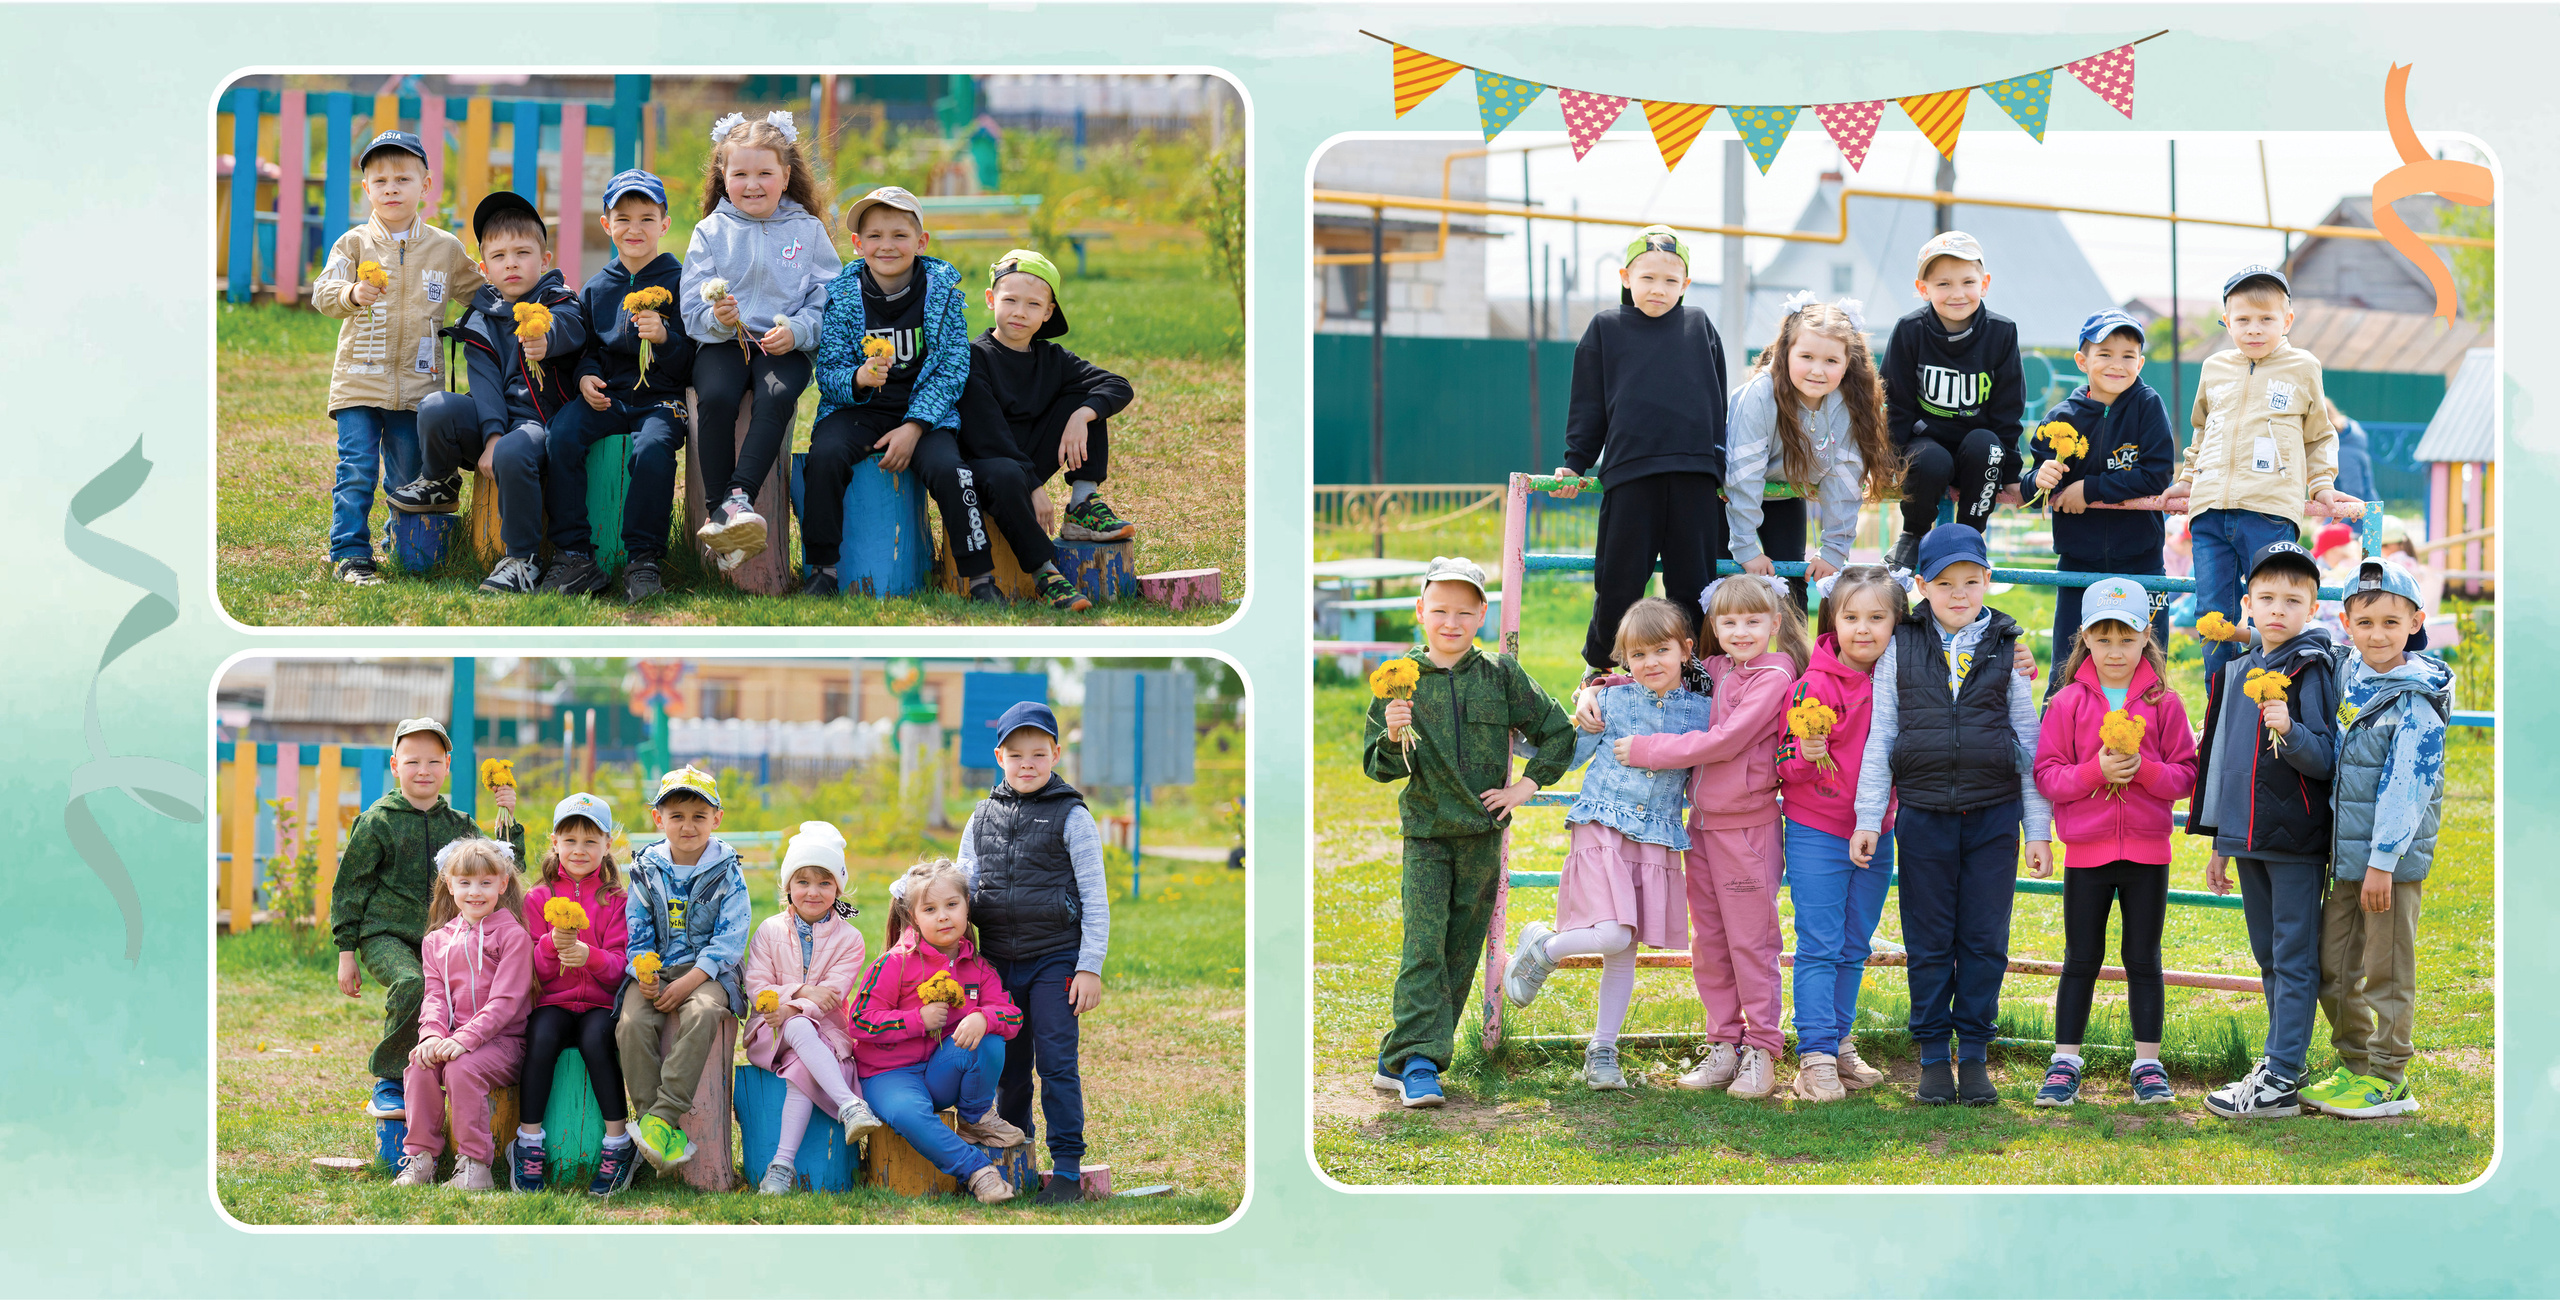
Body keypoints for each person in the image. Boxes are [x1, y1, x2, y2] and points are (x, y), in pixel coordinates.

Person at [1364, 556, 1578, 1108]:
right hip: (1428, 834)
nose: (1451, 622)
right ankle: (1418, 1062)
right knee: (1424, 946)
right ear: (1420, 612)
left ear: (1483, 613)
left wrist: (1523, 788)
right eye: (1439, 611)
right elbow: (1377, 766)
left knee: (1460, 949)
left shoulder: (1501, 675)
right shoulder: (1397, 681)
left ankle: (1401, 1056)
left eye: (1464, 611)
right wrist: (1391, 735)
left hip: (1484, 834)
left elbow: (1557, 733)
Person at [1851, 525, 2053, 1106]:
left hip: (1993, 815)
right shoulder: (1902, 643)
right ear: (1921, 586)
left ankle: (1976, 1056)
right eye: (1944, 583)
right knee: (1930, 938)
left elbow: (2027, 739)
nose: (1959, 594)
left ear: (1988, 580)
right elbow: (1882, 732)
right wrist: (1870, 818)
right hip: (1923, 813)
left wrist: (2035, 828)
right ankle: (1934, 1057)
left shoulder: (2007, 644)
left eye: (1971, 581)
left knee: (1986, 938)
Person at [809, 189, 1072, 607]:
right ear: (858, 245)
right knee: (823, 456)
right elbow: (828, 373)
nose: (887, 245)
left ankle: (980, 578)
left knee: (953, 472)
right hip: (859, 411)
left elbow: (952, 367)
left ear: (921, 242)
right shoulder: (843, 294)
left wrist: (914, 427)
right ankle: (822, 569)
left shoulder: (941, 291)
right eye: (874, 236)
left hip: (926, 415)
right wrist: (857, 377)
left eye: (899, 235)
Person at [1500, 598, 1711, 1091]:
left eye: (1661, 650)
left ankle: (1603, 1050)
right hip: (1603, 825)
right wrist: (1520, 734)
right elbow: (1570, 756)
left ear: (1685, 650)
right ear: (1622, 661)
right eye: (1637, 655)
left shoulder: (1704, 708)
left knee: (1624, 949)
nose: (1650, 663)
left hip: (1656, 834)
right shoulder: (1610, 701)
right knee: (1613, 933)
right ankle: (1545, 949)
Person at [1622, 574, 1807, 1099]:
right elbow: (1657, 680)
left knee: (1752, 942)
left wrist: (1647, 750)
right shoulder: (1715, 669)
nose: (1741, 631)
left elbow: (1727, 742)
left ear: (1774, 623)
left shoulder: (1775, 674)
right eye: (1729, 622)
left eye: (1753, 621)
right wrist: (1596, 688)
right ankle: (1724, 1043)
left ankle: (1763, 1049)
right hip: (1698, 829)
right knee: (1710, 945)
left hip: (1747, 830)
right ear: (1714, 627)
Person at [2188, 541, 2343, 1119]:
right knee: (2267, 954)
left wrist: (2292, 731)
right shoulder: (2239, 669)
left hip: (2297, 838)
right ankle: (2282, 1068)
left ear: (2313, 606)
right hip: (2249, 838)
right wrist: (2221, 847)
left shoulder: (2313, 668)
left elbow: (2329, 756)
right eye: (2268, 598)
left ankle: (2281, 1071)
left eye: (2293, 599)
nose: (2279, 609)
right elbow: (2227, 761)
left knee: (2294, 953)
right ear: (2248, 604)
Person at [2028, 580, 2199, 1107]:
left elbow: (2186, 775)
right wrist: (2093, 772)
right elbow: (2047, 775)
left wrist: (2143, 771)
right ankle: (2065, 1061)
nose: (2115, 651)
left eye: (2126, 638)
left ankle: (2147, 1063)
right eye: (2103, 639)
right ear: (2084, 638)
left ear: (2147, 635)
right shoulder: (2067, 702)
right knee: (2081, 956)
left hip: (2147, 853)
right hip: (2087, 853)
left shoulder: (2164, 702)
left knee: (2143, 957)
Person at [2301, 559, 2452, 1119]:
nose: (2378, 634)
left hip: (2391, 864)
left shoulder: (2417, 698)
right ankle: (2355, 1066)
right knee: (2332, 965)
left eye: (2392, 622)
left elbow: (2407, 787)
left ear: (2415, 622)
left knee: (2387, 968)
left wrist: (2384, 861)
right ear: (2346, 623)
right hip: (2346, 859)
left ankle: (2390, 1077)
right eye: (2365, 622)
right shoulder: (2349, 674)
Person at [1549, 226, 1731, 677]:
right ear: (1626, 277)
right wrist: (1575, 463)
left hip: (1694, 474)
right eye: (1648, 278)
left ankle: (1696, 673)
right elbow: (1589, 405)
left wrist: (1721, 467)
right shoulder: (1606, 328)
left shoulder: (1699, 325)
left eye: (1671, 281)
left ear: (1686, 285)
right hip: (1630, 475)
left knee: (1695, 583)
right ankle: (1601, 668)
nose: (1659, 289)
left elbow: (1718, 400)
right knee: (1619, 580)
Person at [2163, 266, 2353, 691]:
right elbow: (2201, 429)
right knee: (2213, 616)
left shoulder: (2303, 366)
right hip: (2210, 513)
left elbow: (2319, 433)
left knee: (2273, 612)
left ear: (2287, 320)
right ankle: (2219, 714)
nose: (2254, 329)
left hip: (2268, 513)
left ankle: (2273, 707)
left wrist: (2322, 483)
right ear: (2226, 321)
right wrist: (2188, 478)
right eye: (2243, 319)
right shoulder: (2214, 367)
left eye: (2266, 319)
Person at [392, 191, 591, 594]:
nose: (512, 263)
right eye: (499, 257)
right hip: (493, 419)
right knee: (436, 406)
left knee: (515, 450)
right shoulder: (482, 314)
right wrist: (492, 437)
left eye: (522, 253)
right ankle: (439, 479)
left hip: (541, 424)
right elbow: (481, 382)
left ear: (544, 260)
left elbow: (573, 328)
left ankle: (522, 559)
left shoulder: (558, 299)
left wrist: (546, 339)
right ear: (485, 267)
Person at [311, 129, 485, 586]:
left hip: (417, 387)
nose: (391, 188)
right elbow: (324, 294)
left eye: (403, 179)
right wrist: (352, 292)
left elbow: (480, 293)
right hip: (358, 382)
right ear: (365, 188)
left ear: (425, 187)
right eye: (381, 180)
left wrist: (526, 298)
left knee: (408, 474)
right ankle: (350, 552)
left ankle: (403, 545)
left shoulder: (445, 249)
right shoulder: (353, 245)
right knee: (357, 469)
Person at [330, 717, 521, 1125]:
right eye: (412, 761)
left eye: (433, 762)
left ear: (447, 766)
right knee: (412, 983)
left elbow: (502, 870)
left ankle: (444, 1071)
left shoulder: (460, 825)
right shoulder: (377, 822)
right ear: (395, 765)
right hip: (385, 935)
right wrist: (347, 952)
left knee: (460, 997)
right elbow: (350, 887)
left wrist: (507, 817)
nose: (423, 770)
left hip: (444, 940)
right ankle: (390, 1080)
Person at [957, 701, 1111, 1203]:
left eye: (1039, 754)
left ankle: (1066, 1169)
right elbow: (962, 884)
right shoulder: (981, 817)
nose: (1028, 764)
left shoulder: (1073, 815)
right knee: (1007, 1065)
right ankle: (1015, 1158)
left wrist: (1088, 966)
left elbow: (1094, 897)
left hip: (1055, 961)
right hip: (997, 965)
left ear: (1056, 755)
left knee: (1057, 1063)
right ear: (999, 756)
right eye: (1017, 754)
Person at [681, 111, 840, 570]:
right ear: (723, 176)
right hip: (723, 341)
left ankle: (737, 500)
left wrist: (799, 330)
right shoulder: (711, 231)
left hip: (782, 342)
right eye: (741, 174)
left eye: (765, 173)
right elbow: (691, 305)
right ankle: (720, 515)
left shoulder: (807, 230)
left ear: (786, 176)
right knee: (714, 395)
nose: (753, 184)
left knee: (776, 396)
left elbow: (827, 295)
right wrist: (716, 316)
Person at [1773, 566, 1906, 1100]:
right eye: (1851, 617)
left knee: (1854, 945)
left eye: (1878, 617)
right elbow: (1783, 763)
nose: (1864, 629)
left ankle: (1840, 1040)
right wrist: (1806, 755)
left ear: (1899, 622)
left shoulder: (1904, 680)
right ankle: (1815, 1056)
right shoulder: (1813, 684)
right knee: (1821, 944)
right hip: (1817, 829)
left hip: (1880, 830)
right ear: (1833, 619)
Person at [851, 859, 1028, 1205]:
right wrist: (917, 1019)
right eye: (930, 909)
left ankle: (975, 1117)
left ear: (967, 906)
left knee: (988, 1037)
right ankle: (978, 1172)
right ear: (914, 917)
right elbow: (859, 1019)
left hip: (938, 1072)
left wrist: (983, 1018)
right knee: (908, 1115)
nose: (943, 916)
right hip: (889, 1075)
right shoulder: (894, 962)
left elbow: (1012, 1016)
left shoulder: (977, 967)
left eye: (952, 905)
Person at [560, 168, 698, 604]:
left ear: (664, 224)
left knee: (653, 449)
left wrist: (665, 339)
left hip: (663, 400)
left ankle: (644, 559)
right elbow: (586, 348)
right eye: (623, 218)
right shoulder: (598, 288)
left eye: (645, 218)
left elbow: (694, 360)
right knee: (561, 435)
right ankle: (573, 552)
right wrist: (584, 377)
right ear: (606, 225)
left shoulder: (682, 281)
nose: (634, 229)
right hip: (611, 399)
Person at [2030, 310, 2176, 691]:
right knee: (2069, 663)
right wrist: (2039, 479)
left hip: (2141, 558)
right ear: (2083, 361)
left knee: (2149, 660)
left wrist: (2090, 489)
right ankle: (2055, 743)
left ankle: (2153, 741)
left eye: (2128, 355)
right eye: (2105, 353)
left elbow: (2157, 474)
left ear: (2140, 362)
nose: (2117, 364)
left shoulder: (2148, 405)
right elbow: (2034, 482)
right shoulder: (2062, 417)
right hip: (2080, 560)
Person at [615, 765, 752, 1169]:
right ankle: (653, 1128)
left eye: (699, 816)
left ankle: (662, 1116)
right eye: (676, 816)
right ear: (658, 818)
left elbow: (731, 937)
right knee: (631, 1023)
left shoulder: (728, 871)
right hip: (655, 971)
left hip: (709, 972)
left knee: (705, 1011)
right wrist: (645, 973)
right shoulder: (646, 868)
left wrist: (693, 979)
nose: (688, 826)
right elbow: (636, 928)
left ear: (717, 819)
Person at [1723, 294, 1899, 608]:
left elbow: (1843, 478)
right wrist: (1746, 546)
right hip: (1728, 501)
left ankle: (1796, 657)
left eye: (1831, 361)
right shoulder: (1759, 396)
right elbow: (1744, 474)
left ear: (1847, 364)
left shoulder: (1847, 405)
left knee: (1792, 588)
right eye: (1806, 356)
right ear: (1785, 353)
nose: (1818, 370)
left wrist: (1833, 549)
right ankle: (1716, 658)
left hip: (1784, 495)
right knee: (1728, 587)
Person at [957, 249, 1139, 546]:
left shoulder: (1052, 357)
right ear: (991, 299)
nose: (1019, 312)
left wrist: (1082, 415)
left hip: (1030, 459)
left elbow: (1117, 385)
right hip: (991, 469)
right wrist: (1032, 486)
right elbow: (988, 437)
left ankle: (1083, 504)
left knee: (1087, 395)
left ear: (1048, 312)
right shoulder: (975, 357)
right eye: (1010, 300)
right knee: (1084, 396)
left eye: (1033, 304)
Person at [746, 822, 884, 1193]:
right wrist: (801, 992)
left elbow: (833, 995)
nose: (812, 891)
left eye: (825, 883)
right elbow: (757, 986)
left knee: (802, 1067)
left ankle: (780, 1167)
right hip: (770, 1028)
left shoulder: (850, 939)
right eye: (802, 881)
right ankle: (850, 1105)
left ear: (838, 889)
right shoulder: (769, 930)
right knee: (795, 1027)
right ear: (787, 886)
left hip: (825, 1031)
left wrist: (795, 1007)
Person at [513, 793, 639, 1196]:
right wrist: (552, 945)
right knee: (542, 1036)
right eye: (570, 840)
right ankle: (529, 1141)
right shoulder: (538, 898)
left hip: (600, 1004)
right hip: (554, 1001)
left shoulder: (618, 900)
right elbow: (535, 973)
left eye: (590, 841)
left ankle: (617, 1144)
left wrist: (590, 956)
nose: (579, 850)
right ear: (554, 842)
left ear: (607, 845)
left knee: (597, 1039)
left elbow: (622, 965)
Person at [389, 838, 533, 1190]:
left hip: (503, 1044)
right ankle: (422, 1158)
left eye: (486, 882)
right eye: (465, 882)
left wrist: (465, 1039)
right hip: (452, 1038)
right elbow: (435, 996)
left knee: (462, 1068)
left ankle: (474, 1165)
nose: (475, 892)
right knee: (419, 1065)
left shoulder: (512, 936)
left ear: (502, 884)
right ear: (449, 884)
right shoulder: (436, 941)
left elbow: (506, 1001)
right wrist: (432, 1037)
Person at [1883, 231, 2025, 567]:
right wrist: (1886, 461)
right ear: (1923, 289)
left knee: (1987, 445)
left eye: (1967, 282)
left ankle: (1969, 538)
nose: (1957, 293)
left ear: (1984, 283)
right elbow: (1896, 403)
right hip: (1925, 447)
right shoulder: (1909, 330)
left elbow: (2008, 409)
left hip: (1976, 452)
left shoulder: (2001, 333)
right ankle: (1913, 536)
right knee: (1932, 460)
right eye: (1943, 284)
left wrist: (2013, 473)